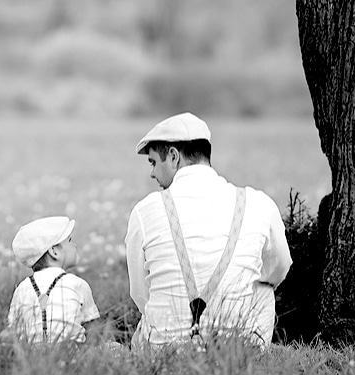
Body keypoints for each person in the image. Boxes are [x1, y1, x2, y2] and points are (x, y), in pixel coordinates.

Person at [125, 113, 292, 347]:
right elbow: (279, 269)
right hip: (237, 348)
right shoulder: (258, 203)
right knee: (263, 287)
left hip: (164, 350)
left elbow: (140, 293)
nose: (152, 173)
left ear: (173, 156)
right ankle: (251, 352)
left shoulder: (144, 211)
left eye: (153, 162)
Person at [5, 216, 102, 344]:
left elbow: (14, 330)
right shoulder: (78, 284)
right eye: (69, 240)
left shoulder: (21, 288)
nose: (74, 244)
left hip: (30, 355)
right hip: (73, 354)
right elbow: (93, 329)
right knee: (113, 347)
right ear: (54, 252)